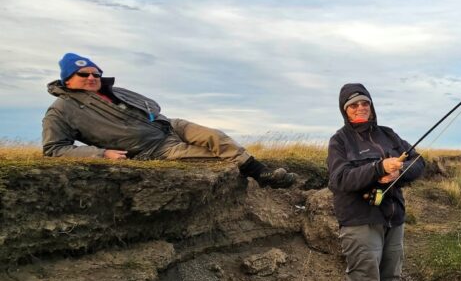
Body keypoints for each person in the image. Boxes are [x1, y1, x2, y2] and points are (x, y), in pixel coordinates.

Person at [42, 52, 297, 188]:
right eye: (83, 74)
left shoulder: (110, 91)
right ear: (67, 79)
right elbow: (54, 150)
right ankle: (259, 177)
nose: (91, 78)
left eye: (96, 73)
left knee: (215, 137)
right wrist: (102, 154)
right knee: (215, 158)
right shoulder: (61, 110)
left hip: (169, 124)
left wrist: (156, 116)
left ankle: (262, 173)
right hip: (154, 148)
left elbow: (149, 104)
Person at [327, 83, 425, 281]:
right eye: (353, 105)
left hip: (392, 219)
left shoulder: (389, 134)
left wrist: (398, 172)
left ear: (371, 105)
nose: (359, 109)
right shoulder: (339, 141)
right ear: (345, 110)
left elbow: (419, 164)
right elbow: (340, 179)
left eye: (364, 104)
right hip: (359, 222)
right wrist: (377, 168)